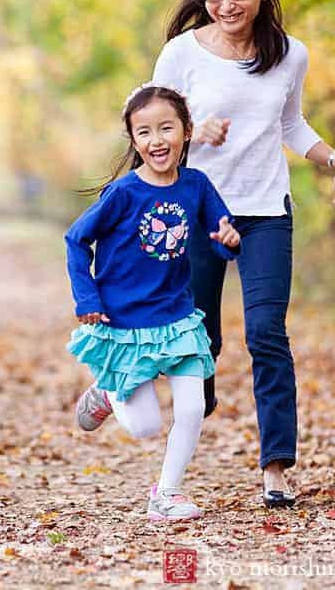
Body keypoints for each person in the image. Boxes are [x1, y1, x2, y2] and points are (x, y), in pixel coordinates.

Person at [150, 0, 335, 508]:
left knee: (267, 334)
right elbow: (147, 120)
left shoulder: (290, 54)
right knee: (200, 339)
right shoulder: (182, 54)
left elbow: (291, 125)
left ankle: (276, 468)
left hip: (266, 211)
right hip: (197, 214)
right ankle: (196, 398)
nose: (225, 6)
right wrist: (192, 127)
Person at [66, 85, 240, 521]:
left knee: (193, 406)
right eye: (144, 132)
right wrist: (87, 298)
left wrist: (228, 240)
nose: (156, 140)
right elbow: (76, 240)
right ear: (133, 139)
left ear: (186, 131)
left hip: (177, 317)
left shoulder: (197, 185)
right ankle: (108, 391)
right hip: (124, 322)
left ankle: (167, 493)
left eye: (166, 128)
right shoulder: (123, 194)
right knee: (145, 427)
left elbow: (221, 236)